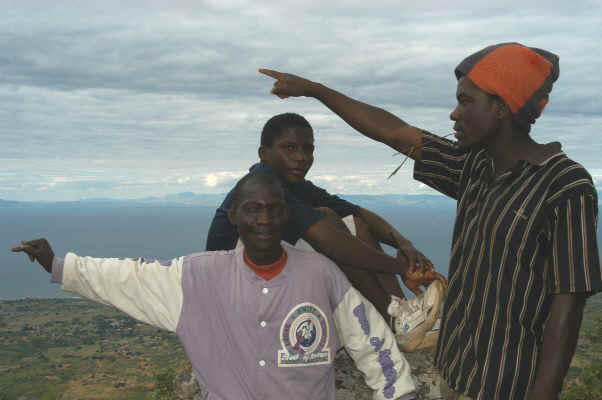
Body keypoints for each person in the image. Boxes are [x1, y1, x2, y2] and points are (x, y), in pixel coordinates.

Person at [258, 42, 602, 400]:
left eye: (466, 101)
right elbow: (392, 132)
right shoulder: (474, 166)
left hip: (508, 385)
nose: (454, 114)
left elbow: (569, 304)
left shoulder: (564, 185)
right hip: (455, 372)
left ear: (500, 107)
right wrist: (316, 90)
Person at [12, 170, 418, 400]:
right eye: (253, 210)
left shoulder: (320, 274)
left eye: (275, 210)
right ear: (235, 217)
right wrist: (58, 264)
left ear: (285, 218)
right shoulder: (197, 278)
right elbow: (127, 278)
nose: (264, 220)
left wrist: (401, 392)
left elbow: (370, 340)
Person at [206, 112, 446, 318]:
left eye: (307, 149)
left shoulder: (293, 184)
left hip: (261, 274)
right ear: (263, 153)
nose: (301, 157)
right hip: (234, 284)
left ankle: (398, 310)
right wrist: (400, 267)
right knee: (328, 220)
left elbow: (357, 212)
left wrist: (405, 245)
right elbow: (332, 244)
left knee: (354, 223)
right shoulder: (263, 185)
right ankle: (389, 317)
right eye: (289, 148)